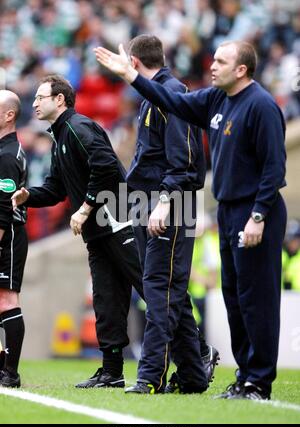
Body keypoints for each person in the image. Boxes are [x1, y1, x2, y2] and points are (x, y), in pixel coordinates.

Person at [94, 40, 287, 400]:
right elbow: (173, 101)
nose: (212, 66)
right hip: (226, 209)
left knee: (254, 299)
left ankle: (257, 381)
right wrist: (131, 76)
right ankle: (238, 377)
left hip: (252, 212)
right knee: (233, 298)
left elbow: (274, 167)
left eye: (221, 61)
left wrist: (259, 214)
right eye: (213, 59)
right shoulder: (215, 100)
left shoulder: (260, 105)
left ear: (241, 69)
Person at [12, 75, 144, 389]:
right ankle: (112, 371)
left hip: (120, 221)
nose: (34, 103)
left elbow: (107, 166)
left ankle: (198, 350)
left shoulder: (78, 127)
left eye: (41, 97)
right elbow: (57, 189)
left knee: (150, 287)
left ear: (60, 100)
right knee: (106, 301)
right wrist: (29, 195)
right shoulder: (59, 137)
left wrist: (85, 207)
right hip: (97, 233)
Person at [118, 35, 208, 395]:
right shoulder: (156, 95)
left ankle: (150, 376)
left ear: (135, 64)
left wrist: (165, 202)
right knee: (171, 292)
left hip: (167, 204)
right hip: (152, 202)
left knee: (159, 288)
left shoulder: (172, 94)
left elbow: (184, 161)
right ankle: (192, 375)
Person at [0, 90, 28, 388]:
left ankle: (11, 372)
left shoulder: (7, 155)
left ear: (9, 115)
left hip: (7, 236)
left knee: (7, 299)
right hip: (6, 234)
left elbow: (2, 209)